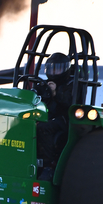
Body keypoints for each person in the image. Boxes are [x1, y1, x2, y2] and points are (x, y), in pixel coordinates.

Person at [36, 52, 74, 181]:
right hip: (47, 115)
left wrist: (54, 93)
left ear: (65, 69)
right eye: (51, 68)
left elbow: (68, 102)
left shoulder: (71, 84)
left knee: (44, 127)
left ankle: (48, 166)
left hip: (65, 119)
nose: (54, 72)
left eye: (57, 69)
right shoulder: (44, 83)